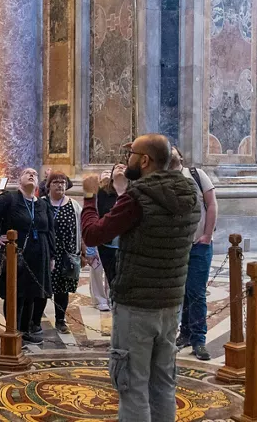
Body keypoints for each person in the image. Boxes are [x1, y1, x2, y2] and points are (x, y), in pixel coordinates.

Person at [80, 134, 201, 422]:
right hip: (171, 302)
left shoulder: (138, 198)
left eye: (131, 154)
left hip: (136, 304)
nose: (127, 159)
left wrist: (88, 197)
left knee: (131, 384)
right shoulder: (189, 193)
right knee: (163, 383)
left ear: (145, 160)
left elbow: (94, 234)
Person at [0, 168, 54, 345]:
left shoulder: (42, 204)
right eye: (27, 173)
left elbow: (50, 230)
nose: (31, 175)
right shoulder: (10, 198)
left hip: (39, 254)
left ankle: (26, 330)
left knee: (32, 294)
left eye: (35, 174)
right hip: (15, 255)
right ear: (19, 180)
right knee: (16, 294)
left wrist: (52, 256)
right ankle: (13, 330)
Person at [171, 146, 219, 361]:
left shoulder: (196, 175)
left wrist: (207, 235)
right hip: (176, 246)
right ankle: (186, 333)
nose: (171, 152)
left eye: (174, 149)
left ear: (180, 155)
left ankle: (199, 339)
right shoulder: (162, 180)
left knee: (196, 291)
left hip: (199, 243)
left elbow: (211, 205)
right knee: (182, 291)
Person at [37, 171, 82, 334]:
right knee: (42, 287)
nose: (60, 185)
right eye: (55, 182)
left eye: (63, 182)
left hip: (67, 254)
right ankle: (36, 320)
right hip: (46, 253)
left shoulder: (73, 205)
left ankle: (60, 319)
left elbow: (80, 229)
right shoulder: (41, 203)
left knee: (63, 289)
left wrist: (82, 251)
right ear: (48, 186)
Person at [96, 164, 128, 291]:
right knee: (112, 281)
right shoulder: (104, 192)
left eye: (124, 166)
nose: (120, 167)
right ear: (112, 174)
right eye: (117, 167)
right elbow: (98, 216)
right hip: (108, 245)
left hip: (128, 245)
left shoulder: (134, 191)